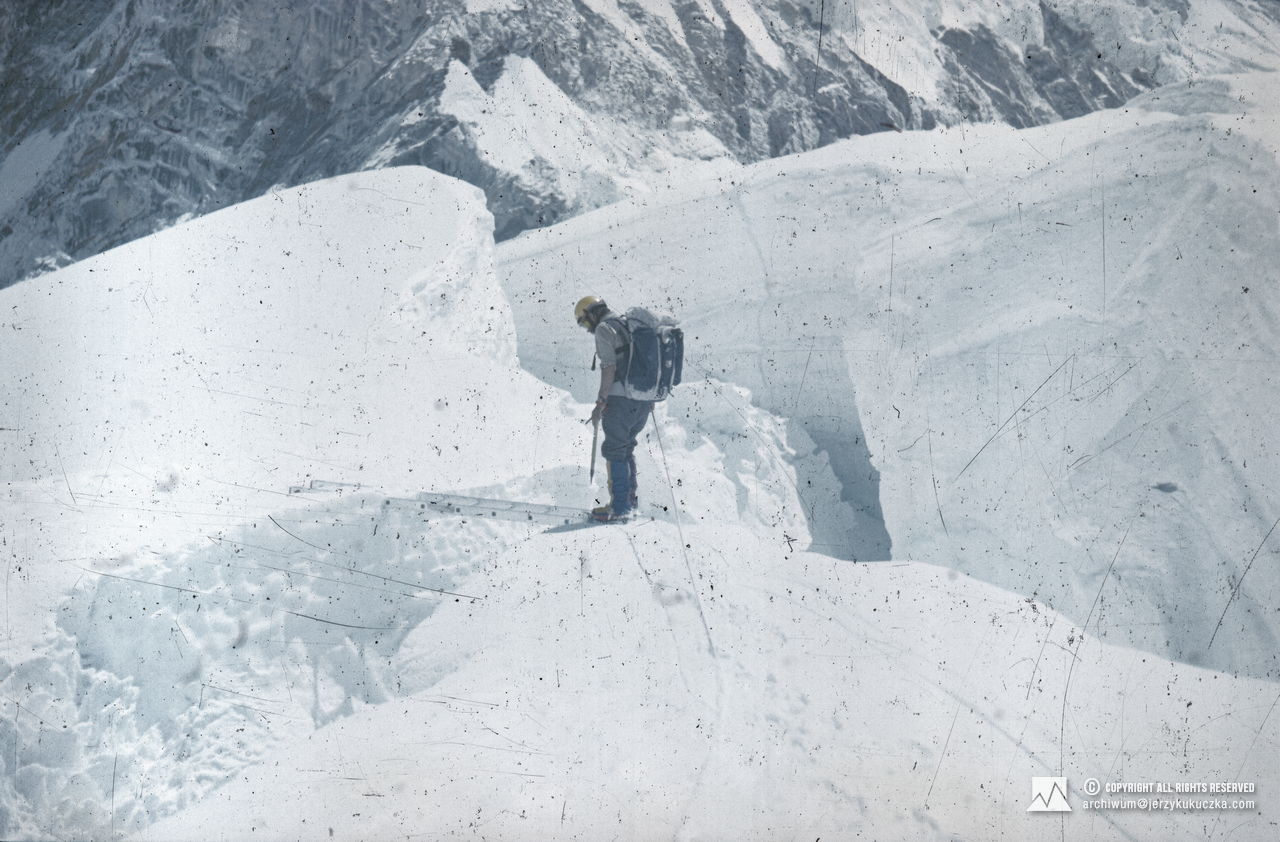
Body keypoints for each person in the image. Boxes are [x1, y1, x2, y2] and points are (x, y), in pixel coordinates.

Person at [574, 295, 652, 522]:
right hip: (643, 400)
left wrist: (600, 402)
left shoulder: (604, 329)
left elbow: (609, 368)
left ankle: (619, 508)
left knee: (614, 450)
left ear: (591, 314)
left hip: (621, 401)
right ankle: (630, 501)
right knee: (626, 448)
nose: (588, 328)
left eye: (585, 322)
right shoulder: (629, 324)